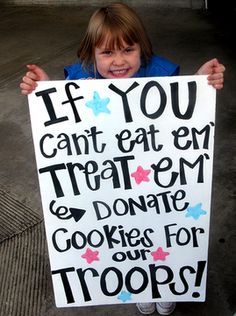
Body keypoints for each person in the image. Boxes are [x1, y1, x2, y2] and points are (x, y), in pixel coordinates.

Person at [19, 3, 225, 315]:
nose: (118, 61)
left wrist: (201, 84)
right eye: (107, 53)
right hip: (109, 181)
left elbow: (182, 113)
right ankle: (141, 282)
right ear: (91, 54)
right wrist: (45, 92)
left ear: (142, 48)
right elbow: (66, 120)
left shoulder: (160, 74)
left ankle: (164, 283)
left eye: (128, 50)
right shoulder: (83, 82)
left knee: (159, 224)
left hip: (155, 176)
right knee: (125, 231)